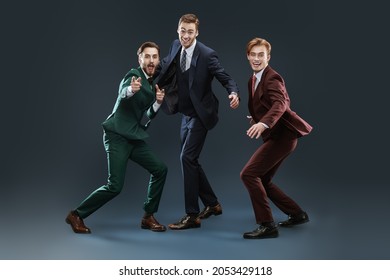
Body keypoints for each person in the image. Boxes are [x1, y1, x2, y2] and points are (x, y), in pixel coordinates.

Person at [65, 41, 168, 233]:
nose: (151, 61)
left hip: (133, 137)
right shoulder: (133, 76)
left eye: (154, 57)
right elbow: (123, 93)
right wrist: (130, 90)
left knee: (160, 170)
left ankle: (148, 216)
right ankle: (76, 215)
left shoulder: (151, 83)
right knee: (115, 186)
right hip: (117, 136)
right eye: (147, 56)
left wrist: (158, 103)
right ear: (140, 59)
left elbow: (147, 115)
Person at [154, 14, 240, 230]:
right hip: (185, 114)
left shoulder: (207, 55)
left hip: (202, 114)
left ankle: (192, 215)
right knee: (190, 160)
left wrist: (233, 93)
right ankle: (212, 204)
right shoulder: (175, 46)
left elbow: (225, 77)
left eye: (190, 32)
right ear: (178, 30)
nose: (185, 35)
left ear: (197, 33)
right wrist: (146, 73)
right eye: (182, 30)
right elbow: (163, 67)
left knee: (187, 158)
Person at [240, 37, 313, 239]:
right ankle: (297, 214)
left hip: (283, 137)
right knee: (263, 179)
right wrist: (256, 117)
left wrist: (264, 123)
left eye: (261, 55)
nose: (256, 58)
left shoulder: (272, 77)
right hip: (278, 137)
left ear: (268, 57)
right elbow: (266, 102)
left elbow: (280, 103)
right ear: (248, 56)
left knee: (248, 175)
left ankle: (267, 225)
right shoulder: (253, 79)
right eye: (253, 54)